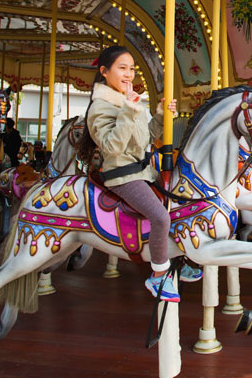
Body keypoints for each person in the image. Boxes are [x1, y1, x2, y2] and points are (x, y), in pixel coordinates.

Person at [77, 46, 200, 302]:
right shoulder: (99, 108)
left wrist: (161, 116)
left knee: (187, 204)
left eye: (132, 68)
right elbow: (112, 147)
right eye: (122, 68)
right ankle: (158, 276)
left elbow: (145, 139)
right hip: (123, 176)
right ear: (104, 72)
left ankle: (189, 259)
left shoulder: (127, 101)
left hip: (143, 170)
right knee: (161, 218)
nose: (129, 74)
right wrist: (129, 112)